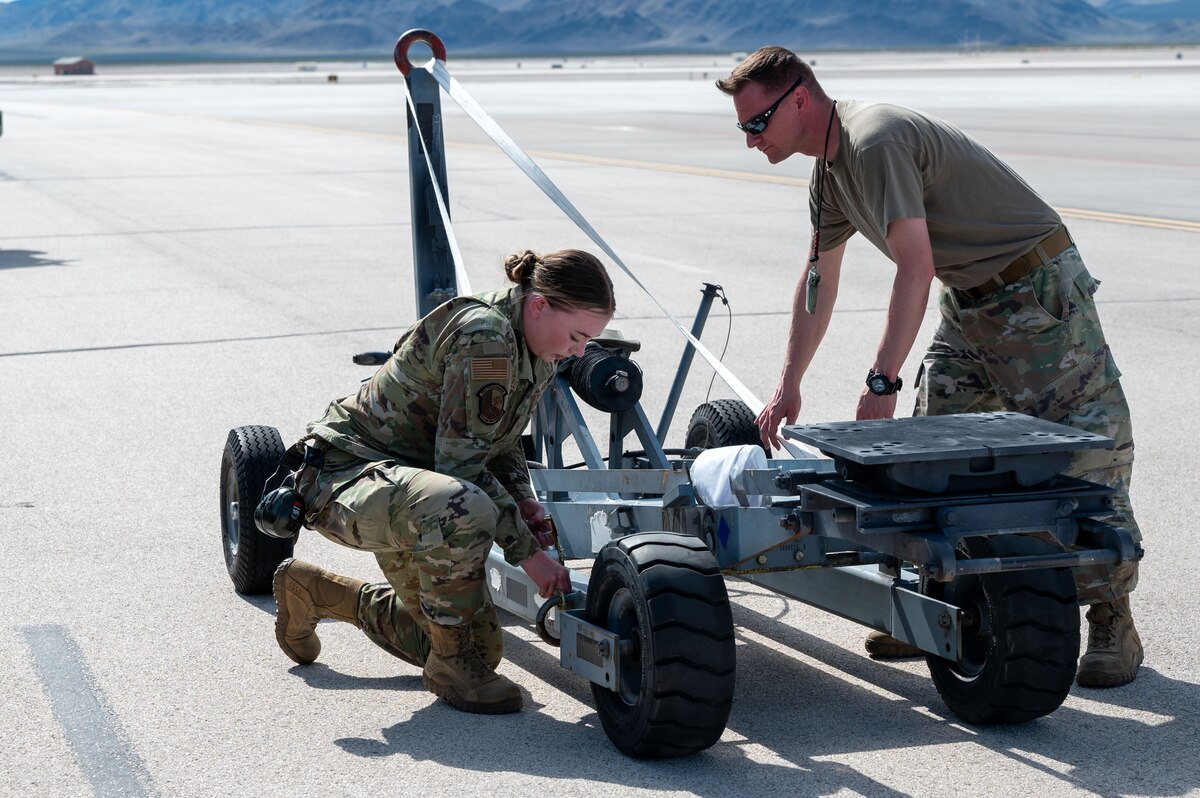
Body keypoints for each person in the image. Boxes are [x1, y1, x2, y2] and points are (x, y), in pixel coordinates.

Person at [716, 47, 1143, 687]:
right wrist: (789, 384)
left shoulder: (875, 138)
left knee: (1086, 457)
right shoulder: (828, 175)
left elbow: (913, 263)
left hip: (1034, 293)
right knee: (930, 462)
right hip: (969, 302)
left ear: (799, 99)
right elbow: (817, 279)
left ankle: (1113, 620)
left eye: (757, 123)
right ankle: (938, 605)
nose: (751, 141)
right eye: (742, 128)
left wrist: (882, 379)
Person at [271, 248, 615, 713]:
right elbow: (461, 466)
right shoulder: (486, 337)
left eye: (586, 342)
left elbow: (500, 439)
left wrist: (522, 500)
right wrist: (529, 556)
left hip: (414, 490)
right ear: (538, 306)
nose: (578, 350)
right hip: (347, 475)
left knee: (478, 648)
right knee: (465, 507)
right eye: (576, 336)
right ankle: (451, 670)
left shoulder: (536, 349)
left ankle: (317, 593)